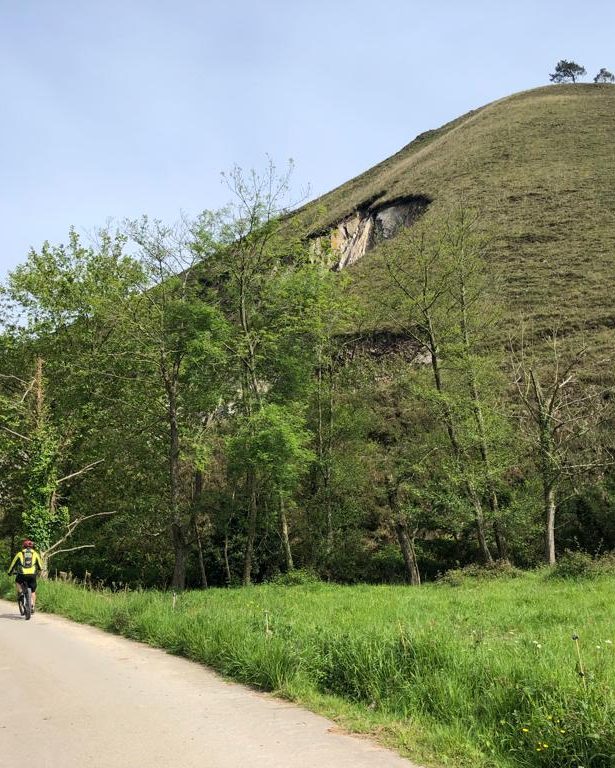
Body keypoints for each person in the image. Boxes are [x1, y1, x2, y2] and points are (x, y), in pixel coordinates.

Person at [7, 539, 44, 612]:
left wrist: (9, 572)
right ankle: (32, 606)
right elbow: (40, 566)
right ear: (32, 547)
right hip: (32, 575)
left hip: (22, 574)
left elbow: (13, 564)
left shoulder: (20, 553)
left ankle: (21, 592)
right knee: (33, 591)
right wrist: (39, 570)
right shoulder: (35, 553)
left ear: (23, 546)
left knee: (17, 581)